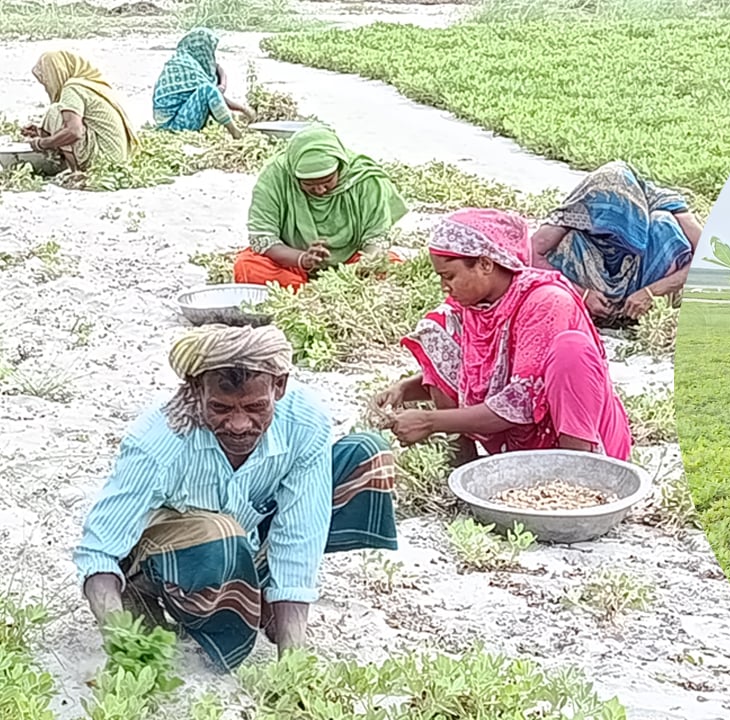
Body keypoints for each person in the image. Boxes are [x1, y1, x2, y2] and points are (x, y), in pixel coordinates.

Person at [72, 324, 399, 672]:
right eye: (221, 408)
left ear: (279, 386)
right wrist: (120, 638)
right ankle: (151, 597)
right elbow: (99, 552)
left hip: (247, 538)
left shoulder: (304, 421)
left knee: (367, 456)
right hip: (177, 555)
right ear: (196, 390)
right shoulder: (159, 440)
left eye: (256, 407)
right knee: (223, 535)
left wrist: (292, 663)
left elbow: (301, 531)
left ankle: (261, 595)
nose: (239, 424)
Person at [375, 208, 633, 466]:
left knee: (571, 350)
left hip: (570, 435)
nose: (445, 287)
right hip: (519, 443)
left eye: (449, 276)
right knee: (437, 329)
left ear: (485, 264)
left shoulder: (546, 302)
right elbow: (471, 373)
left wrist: (430, 421)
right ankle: (462, 465)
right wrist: (404, 389)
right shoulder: (474, 308)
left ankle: (577, 475)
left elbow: (520, 401)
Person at [232, 124, 408, 290]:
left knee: (391, 266)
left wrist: (356, 271)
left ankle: (317, 292)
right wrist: (302, 259)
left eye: (327, 181)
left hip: (352, 265)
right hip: (292, 263)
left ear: (339, 168)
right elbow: (263, 237)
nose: (320, 190)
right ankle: (306, 293)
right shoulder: (276, 177)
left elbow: (376, 238)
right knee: (247, 266)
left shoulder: (365, 179)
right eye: (309, 184)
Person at [530, 160, 702, 326]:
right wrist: (581, 293)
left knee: (663, 224)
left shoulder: (661, 201)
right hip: (593, 279)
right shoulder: (579, 207)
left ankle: (639, 310)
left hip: (642, 275)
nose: (613, 239)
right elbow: (530, 254)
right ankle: (594, 310)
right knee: (569, 239)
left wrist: (651, 292)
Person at [20, 51, 139, 173]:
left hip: (104, 159)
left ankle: (76, 172)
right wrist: (41, 131)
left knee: (55, 111)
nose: (47, 86)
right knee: (60, 115)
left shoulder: (72, 89)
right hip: (118, 158)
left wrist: (41, 143)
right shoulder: (89, 85)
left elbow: (74, 132)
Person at [152, 27, 256, 137]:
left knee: (211, 94)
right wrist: (244, 109)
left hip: (175, 116)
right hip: (172, 125)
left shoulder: (185, 60)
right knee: (207, 89)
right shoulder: (187, 67)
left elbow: (218, 69)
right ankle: (235, 132)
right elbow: (212, 93)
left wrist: (222, 83)